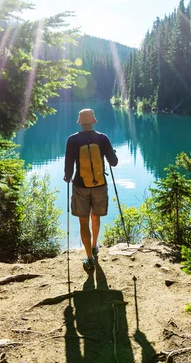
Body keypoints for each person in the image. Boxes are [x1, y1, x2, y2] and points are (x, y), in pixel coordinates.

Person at [64, 108, 118, 271]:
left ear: (80, 122)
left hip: (80, 185)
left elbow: (68, 166)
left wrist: (68, 177)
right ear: (94, 121)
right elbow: (113, 162)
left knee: (83, 220)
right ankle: (95, 245)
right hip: (100, 185)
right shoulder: (102, 138)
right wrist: (112, 154)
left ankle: (88, 257)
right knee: (96, 216)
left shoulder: (72, 140)